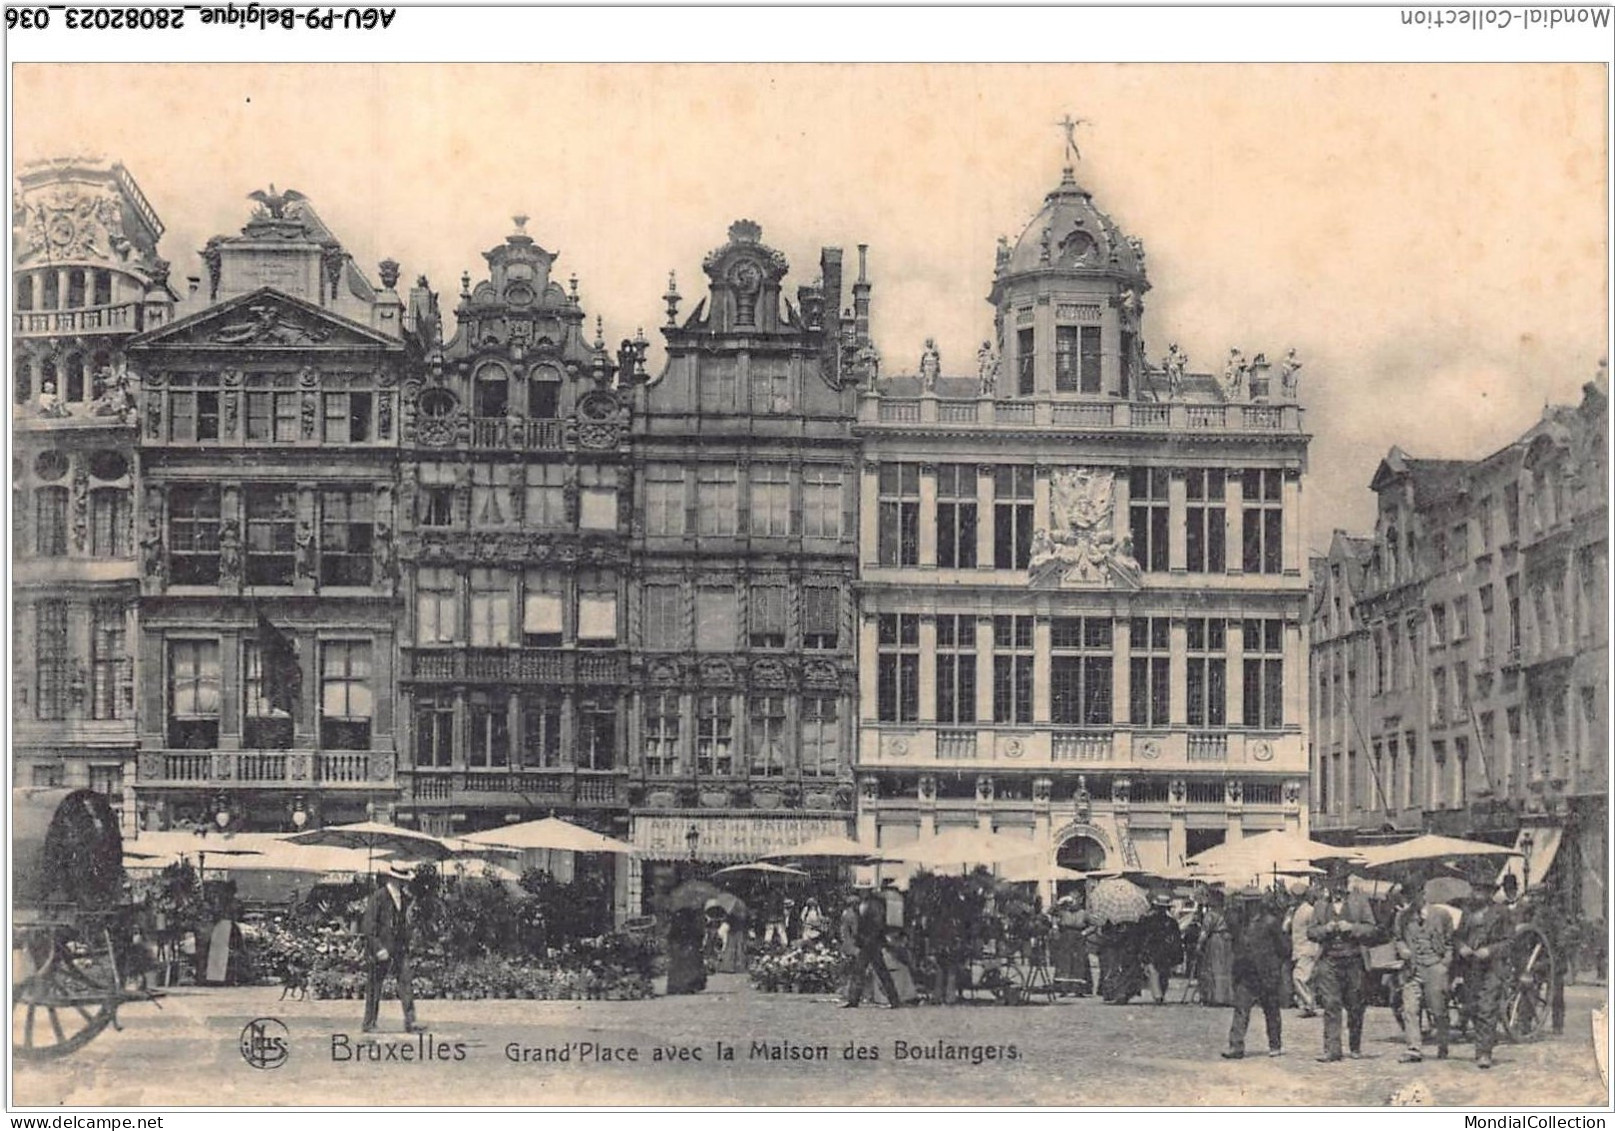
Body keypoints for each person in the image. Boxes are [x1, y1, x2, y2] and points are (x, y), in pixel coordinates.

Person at [1306, 864, 1379, 1062]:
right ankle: (1332, 1049)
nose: (1336, 887)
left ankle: (1355, 1045)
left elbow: (1372, 929)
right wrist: (1325, 929)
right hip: (1329, 960)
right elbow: (1311, 932)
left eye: (1340, 883)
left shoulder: (1359, 902)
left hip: (1354, 960)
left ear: (1346, 884)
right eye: (1333, 883)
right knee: (1331, 1003)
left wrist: (1352, 927)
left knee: (1355, 1006)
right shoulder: (1321, 905)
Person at [1394, 879, 1454, 1063]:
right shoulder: (1402, 917)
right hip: (1412, 969)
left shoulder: (1442, 914)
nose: (1412, 899)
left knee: (1438, 1010)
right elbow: (1398, 938)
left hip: (1435, 967)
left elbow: (1450, 942)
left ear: (1423, 893)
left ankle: (1443, 1043)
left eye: (1415, 894)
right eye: (1408, 896)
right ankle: (1414, 1049)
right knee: (1410, 1009)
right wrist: (1402, 948)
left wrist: (1444, 965)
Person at [1457, 876, 1514, 1070]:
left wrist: (1489, 951)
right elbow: (1457, 937)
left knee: (1487, 1007)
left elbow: (1510, 942)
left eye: (1481, 890)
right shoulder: (1467, 912)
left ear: (1490, 893)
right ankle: (1484, 1042)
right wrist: (1462, 947)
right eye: (1475, 889)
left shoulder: (1502, 912)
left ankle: (1484, 1052)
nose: (1476, 893)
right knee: (1472, 1006)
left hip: (1493, 967)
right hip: (1471, 966)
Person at [1224, 892, 1290, 1058]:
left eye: (1249, 903)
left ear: (1257, 903)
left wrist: (1275, 966)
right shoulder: (1240, 923)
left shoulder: (1270, 922)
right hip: (1246, 972)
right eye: (1244, 903)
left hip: (1266, 973)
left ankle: (1275, 1044)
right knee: (1241, 1008)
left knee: (1271, 1010)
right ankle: (1236, 1046)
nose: (1245, 906)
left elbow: (1284, 948)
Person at [362, 862, 421, 1033]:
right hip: (381, 950)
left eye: (403, 879)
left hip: (399, 949)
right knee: (374, 986)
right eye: (399, 879)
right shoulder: (378, 897)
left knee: (406, 983)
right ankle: (369, 1023)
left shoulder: (404, 898)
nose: (402, 882)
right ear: (391, 878)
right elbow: (368, 926)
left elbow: (403, 924)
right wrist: (378, 948)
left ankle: (411, 1022)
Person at [843, 887, 902, 1008]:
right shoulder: (861, 905)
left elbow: (878, 924)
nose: (861, 892)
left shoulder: (875, 905)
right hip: (866, 943)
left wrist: (869, 938)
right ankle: (853, 999)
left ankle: (894, 1000)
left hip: (872, 943)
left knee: (879, 971)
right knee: (861, 970)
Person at [1139, 894, 1184, 1005]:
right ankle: (1159, 995)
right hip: (1160, 950)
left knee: (1159, 973)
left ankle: (1159, 995)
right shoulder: (1168, 922)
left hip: (1159, 950)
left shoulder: (1152, 920)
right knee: (1159, 972)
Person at [1197, 890, 1236, 1006]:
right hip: (1228, 941)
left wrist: (1199, 944)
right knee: (1227, 969)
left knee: (1214, 968)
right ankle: (1228, 997)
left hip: (1215, 941)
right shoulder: (1227, 913)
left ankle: (1215, 997)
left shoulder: (1210, 915)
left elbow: (1204, 931)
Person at [1288, 885, 1321, 1017]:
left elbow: (1315, 929)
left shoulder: (1309, 910)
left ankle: (1309, 1004)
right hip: (1300, 948)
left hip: (1308, 948)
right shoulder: (1295, 910)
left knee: (1297, 977)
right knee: (1307, 979)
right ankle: (1307, 1005)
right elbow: (1286, 928)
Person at [665, 906, 708, 995]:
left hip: (680, 944)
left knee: (679, 965)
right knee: (687, 965)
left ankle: (678, 986)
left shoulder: (676, 916)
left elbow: (671, 934)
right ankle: (687, 985)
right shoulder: (693, 916)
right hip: (686, 944)